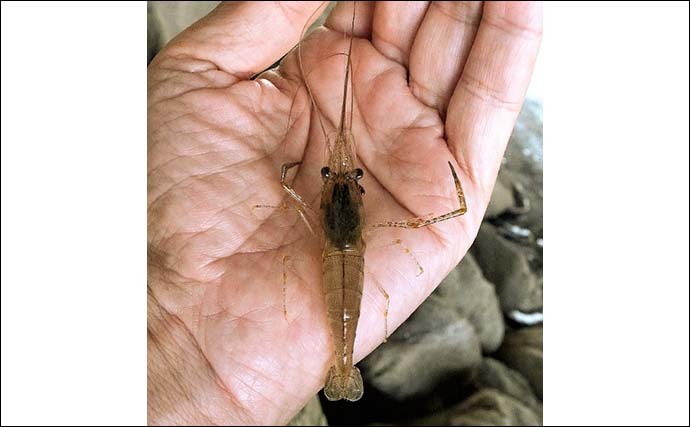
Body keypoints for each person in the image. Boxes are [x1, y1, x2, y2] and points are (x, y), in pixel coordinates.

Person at [147, 1, 542, 425]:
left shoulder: (315, 199)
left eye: (346, 176)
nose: (344, 175)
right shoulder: (358, 199)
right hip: (345, 268)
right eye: (349, 177)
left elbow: (288, 184)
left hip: (337, 266)